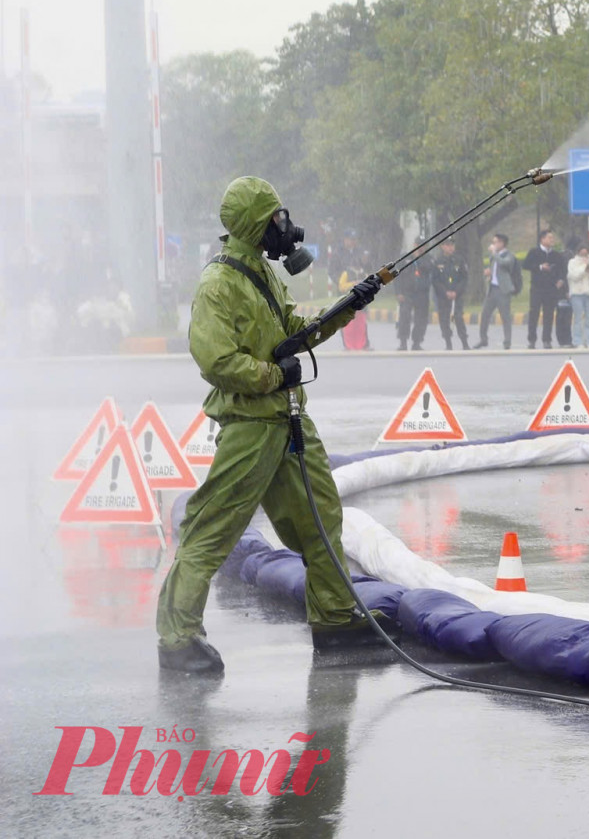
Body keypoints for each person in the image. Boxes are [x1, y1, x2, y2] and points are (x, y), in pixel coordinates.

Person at [157, 176, 385, 674]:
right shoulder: (218, 284)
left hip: (288, 420)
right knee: (212, 528)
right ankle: (177, 638)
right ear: (254, 223)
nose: (285, 225)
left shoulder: (261, 271)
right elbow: (216, 360)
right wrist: (274, 375)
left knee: (320, 519)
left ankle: (334, 619)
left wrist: (349, 306)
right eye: (276, 217)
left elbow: (294, 334)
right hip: (251, 425)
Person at [477, 233, 521, 349]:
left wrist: (494, 253)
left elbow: (503, 263)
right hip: (492, 289)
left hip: (503, 290)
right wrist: (489, 273)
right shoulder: (494, 256)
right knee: (485, 314)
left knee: (505, 316)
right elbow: (494, 267)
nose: (494, 244)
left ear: (502, 243)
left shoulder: (509, 255)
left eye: (496, 242)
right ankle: (483, 339)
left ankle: (507, 341)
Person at [523, 229, 564, 350]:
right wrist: (540, 267)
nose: (552, 240)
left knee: (549, 314)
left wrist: (561, 280)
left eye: (552, 238)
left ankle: (547, 340)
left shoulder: (556, 255)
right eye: (549, 238)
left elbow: (562, 269)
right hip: (537, 288)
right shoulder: (534, 252)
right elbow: (525, 265)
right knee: (534, 313)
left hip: (551, 289)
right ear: (542, 239)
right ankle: (532, 340)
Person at [431, 239, 471, 350]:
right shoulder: (437, 261)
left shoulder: (459, 260)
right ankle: (448, 343)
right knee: (444, 319)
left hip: (457, 295)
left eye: (452, 245)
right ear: (442, 246)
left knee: (458, 318)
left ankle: (465, 343)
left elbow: (464, 278)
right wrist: (445, 292)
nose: (450, 247)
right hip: (443, 296)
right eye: (448, 245)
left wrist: (456, 292)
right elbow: (435, 280)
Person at [567, 243, 589, 348]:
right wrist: (584, 268)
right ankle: (577, 341)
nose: (584, 255)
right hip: (577, 294)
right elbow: (573, 276)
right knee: (578, 318)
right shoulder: (572, 262)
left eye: (586, 253)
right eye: (582, 253)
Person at [393, 256, 430, 352]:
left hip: (422, 294)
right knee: (404, 317)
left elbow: (431, 273)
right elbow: (397, 276)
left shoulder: (427, 259)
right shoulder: (405, 258)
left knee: (420, 320)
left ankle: (417, 343)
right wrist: (398, 292)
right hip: (407, 293)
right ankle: (403, 342)